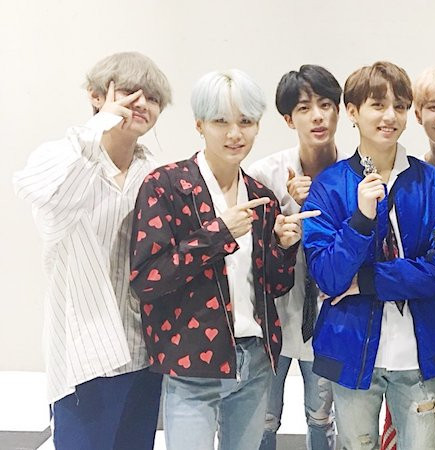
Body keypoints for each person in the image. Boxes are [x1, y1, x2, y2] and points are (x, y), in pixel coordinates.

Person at [129, 69, 317, 450]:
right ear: (199, 124)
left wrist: (283, 247)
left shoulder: (261, 196)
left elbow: (275, 286)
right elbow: (147, 280)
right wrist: (217, 235)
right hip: (192, 362)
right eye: (221, 121)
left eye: (245, 122)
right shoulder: (167, 186)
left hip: (256, 359)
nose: (235, 134)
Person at [12, 51, 171, 449]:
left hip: (144, 350)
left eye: (152, 97)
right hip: (84, 353)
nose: (141, 103)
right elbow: (49, 203)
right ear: (96, 95)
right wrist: (97, 128)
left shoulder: (156, 174)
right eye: (129, 91)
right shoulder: (61, 157)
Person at [301, 60, 435, 449]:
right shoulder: (330, 186)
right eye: (378, 105)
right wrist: (360, 220)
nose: (390, 116)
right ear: (352, 112)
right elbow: (328, 277)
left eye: (400, 106)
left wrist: (368, 281)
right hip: (351, 349)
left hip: (419, 352)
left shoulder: (431, 183)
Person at [249, 64, 341, 450]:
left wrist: (320, 203)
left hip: (331, 318)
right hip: (274, 318)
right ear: (289, 119)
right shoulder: (264, 175)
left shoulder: (355, 174)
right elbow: (248, 254)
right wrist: (280, 229)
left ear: (339, 110)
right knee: (263, 418)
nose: (317, 116)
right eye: (304, 108)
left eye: (325, 104)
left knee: (321, 418)